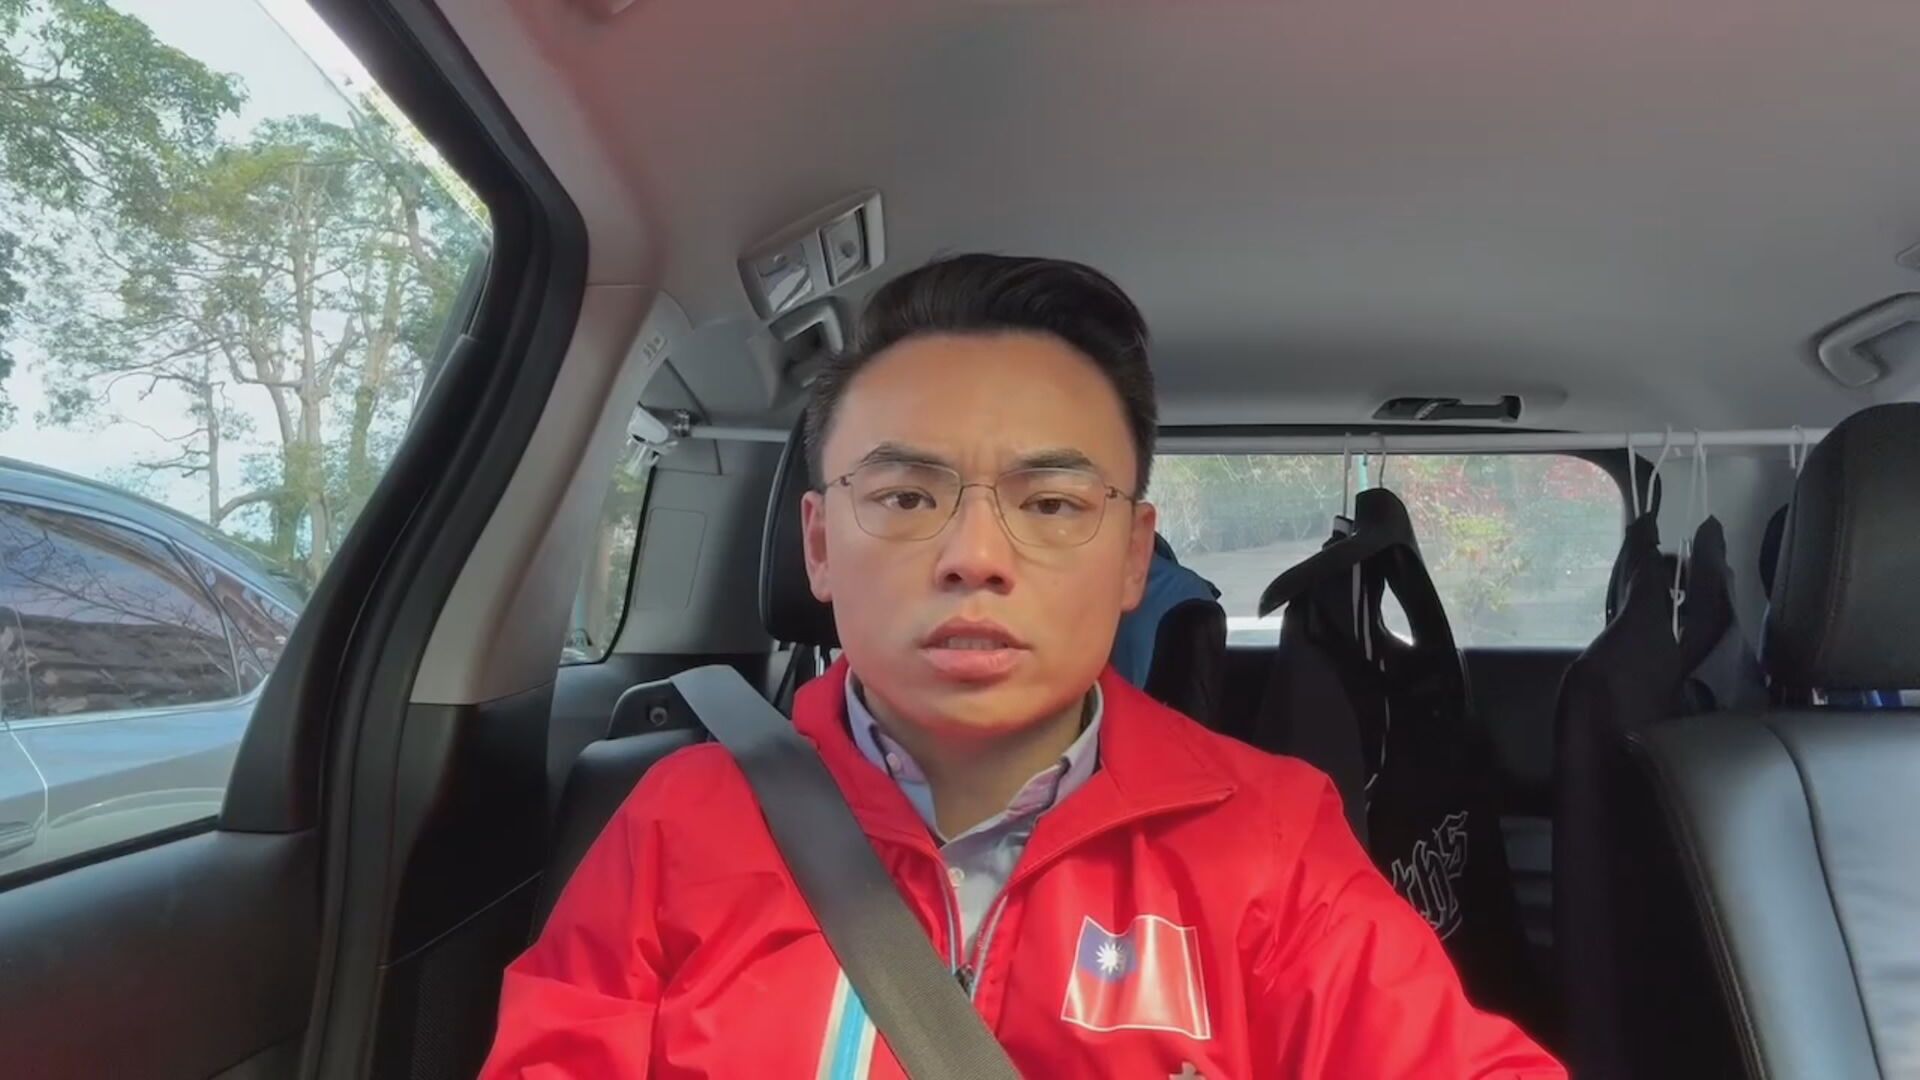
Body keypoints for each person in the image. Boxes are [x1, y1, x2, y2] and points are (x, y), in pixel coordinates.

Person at [480, 254, 1566, 1078]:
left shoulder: (1271, 840)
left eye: (1050, 504)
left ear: (1133, 556)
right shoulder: (678, 823)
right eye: (906, 497)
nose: (975, 557)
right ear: (818, 545)